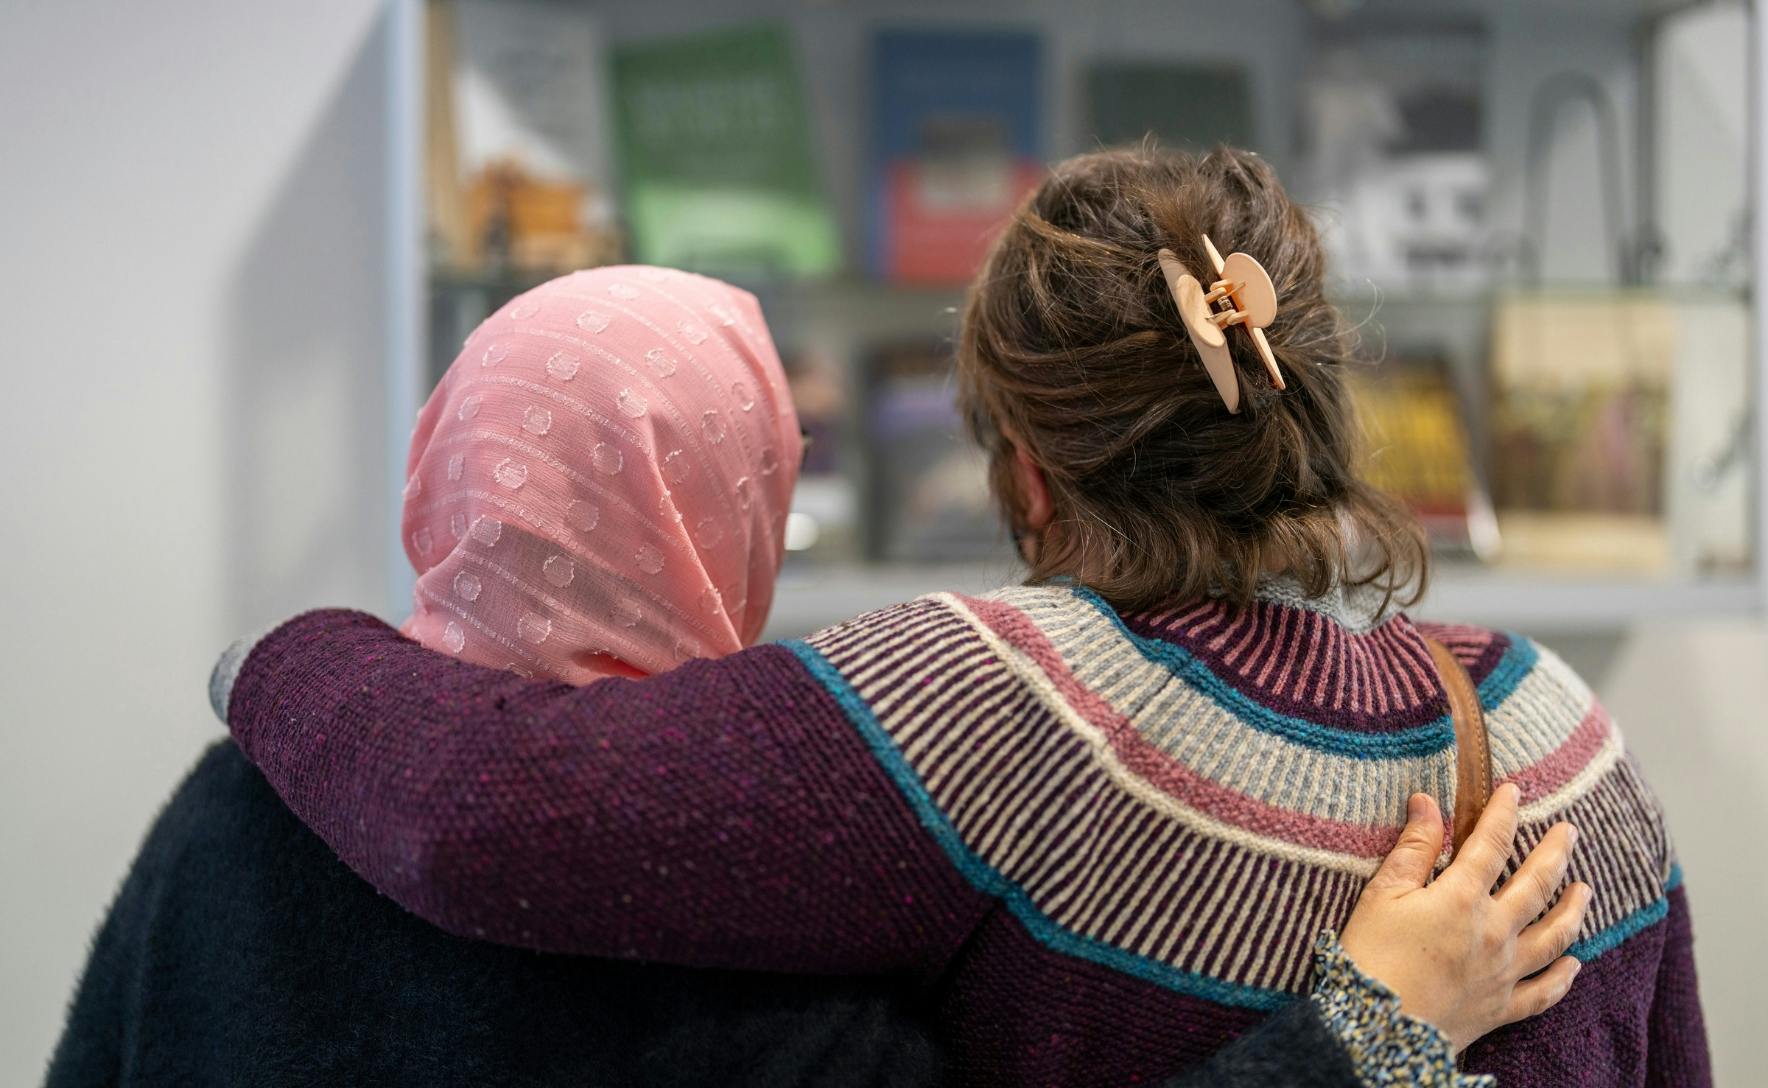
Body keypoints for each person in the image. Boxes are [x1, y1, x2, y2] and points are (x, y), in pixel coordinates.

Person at [205, 175, 1702, 1087]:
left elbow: (478, 814)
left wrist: (271, 657)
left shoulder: (991, 712)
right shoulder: (1574, 746)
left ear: (1025, 473)